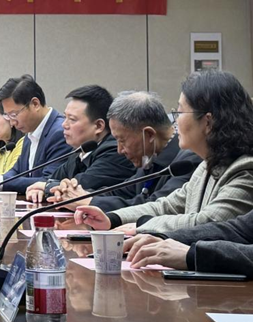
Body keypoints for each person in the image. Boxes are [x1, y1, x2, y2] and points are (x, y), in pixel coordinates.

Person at [75, 71, 253, 234]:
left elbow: (208, 222)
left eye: (180, 112)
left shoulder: (245, 169)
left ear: (208, 122)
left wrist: (142, 225)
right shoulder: (206, 166)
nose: (175, 122)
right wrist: (113, 218)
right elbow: (166, 206)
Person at [47, 90, 201, 210]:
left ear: (148, 134)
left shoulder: (188, 161)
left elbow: (155, 206)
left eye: (122, 140)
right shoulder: (150, 156)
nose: (119, 150)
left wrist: (90, 202)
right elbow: (122, 191)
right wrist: (78, 195)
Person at [25, 85, 133, 204]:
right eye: (65, 117)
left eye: (72, 119)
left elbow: (79, 187)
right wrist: (41, 190)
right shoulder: (80, 150)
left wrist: (46, 187)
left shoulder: (115, 151)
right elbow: (53, 179)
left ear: (98, 126)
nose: (64, 125)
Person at [0, 74, 71, 192]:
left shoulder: (60, 133)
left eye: (14, 114)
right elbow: (17, 171)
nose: (12, 122)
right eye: (7, 115)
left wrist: (1, 182)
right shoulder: (30, 133)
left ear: (35, 104)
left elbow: (50, 181)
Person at [123, 210, 253, 274]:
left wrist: (194, 254)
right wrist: (165, 239)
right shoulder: (204, 170)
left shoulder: (243, 171)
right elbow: (239, 229)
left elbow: (209, 218)